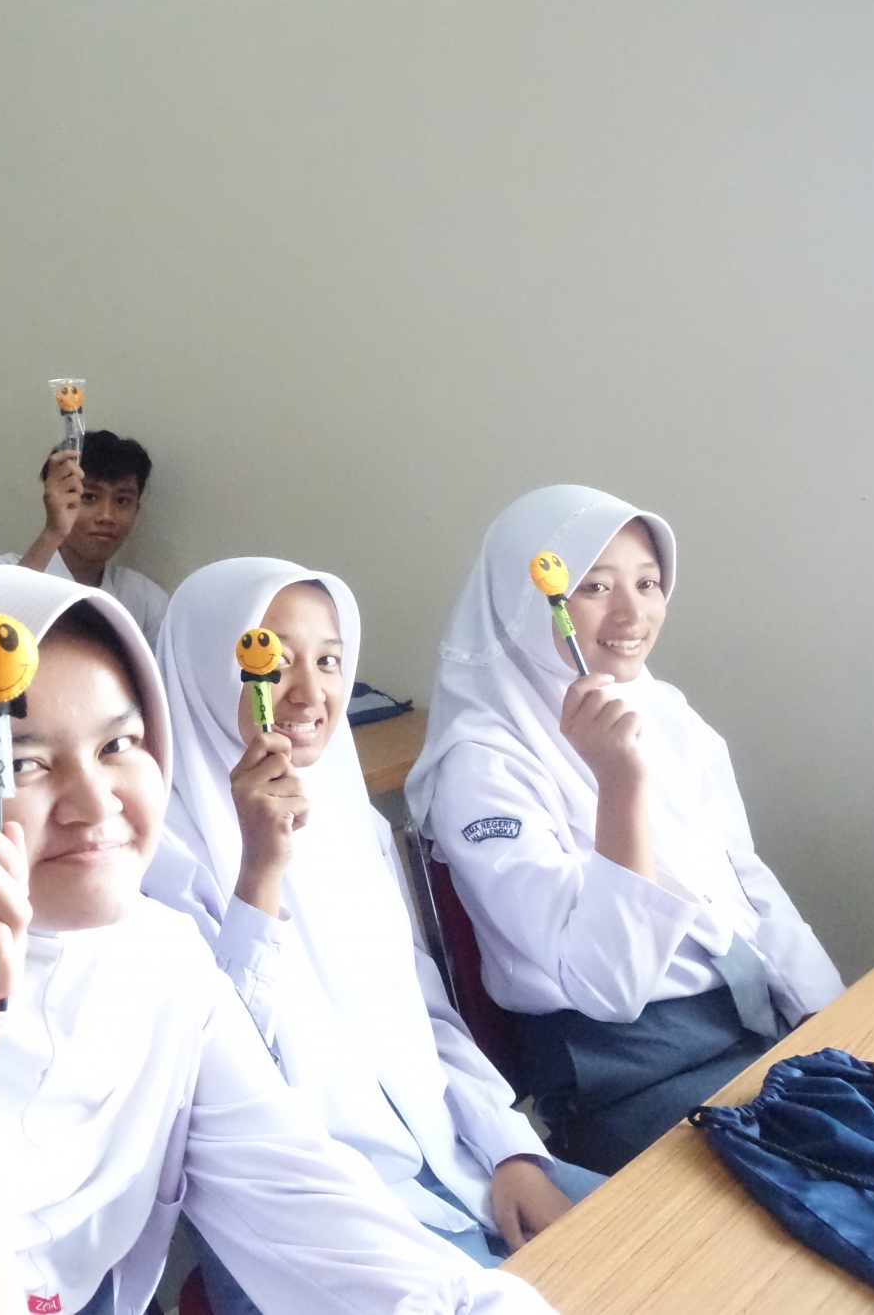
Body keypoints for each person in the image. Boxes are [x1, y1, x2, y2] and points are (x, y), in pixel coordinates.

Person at [0, 565, 555, 1315]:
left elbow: (310, 1209)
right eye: (22, 762)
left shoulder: (156, 961)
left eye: (120, 743)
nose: (96, 802)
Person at [145, 559, 598, 1305]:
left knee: (662, 1251)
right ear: (199, 670)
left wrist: (510, 1150)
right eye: (271, 661)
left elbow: (424, 1012)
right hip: (308, 1229)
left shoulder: (346, 817)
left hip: (452, 1165)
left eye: (328, 660)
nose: (308, 692)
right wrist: (259, 873)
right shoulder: (153, 857)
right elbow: (216, 1085)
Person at [404, 485, 844, 1174]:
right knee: (823, 1187)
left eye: (648, 583)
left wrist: (830, 1015)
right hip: (624, 1072)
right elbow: (609, 986)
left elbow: (741, 873)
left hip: (753, 1020)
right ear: (524, 602)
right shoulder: (482, 765)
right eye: (593, 587)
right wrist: (621, 785)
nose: (631, 613)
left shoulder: (664, 710)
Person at [0, 430, 168, 648]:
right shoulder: (3, 573)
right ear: (55, 499)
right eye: (89, 497)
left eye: (122, 501)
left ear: (137, 509)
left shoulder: (144, 599)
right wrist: (53, 532)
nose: (106, 516)